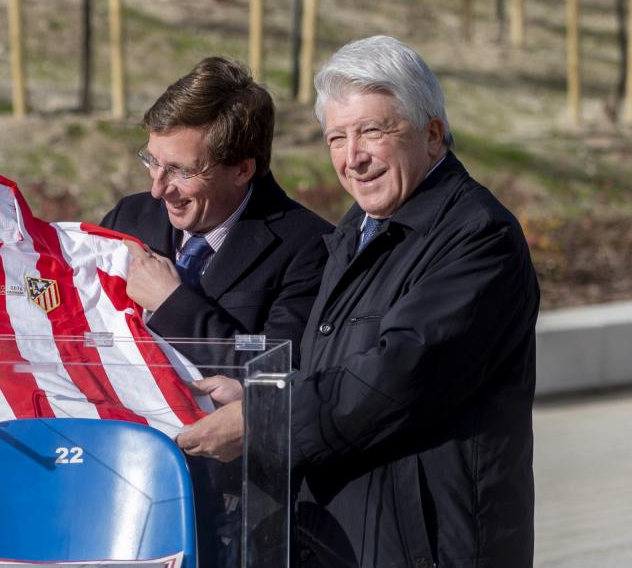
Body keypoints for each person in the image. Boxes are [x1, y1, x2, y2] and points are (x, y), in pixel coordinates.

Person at [290, 36, 538, 566]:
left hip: (430, 546)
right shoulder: (360, 226)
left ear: (432, 134)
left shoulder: (479, 236)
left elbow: (397, 376)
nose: (352, 158)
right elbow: (332, 366)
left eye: (372, 131)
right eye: (336, 138)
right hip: (349, 537)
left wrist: (266, 421)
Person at [100, 57, 332, 568]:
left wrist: (172, 303)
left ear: (243, 168)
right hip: (124, 484)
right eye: (152, 161)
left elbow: (275, 377)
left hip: (236, 511)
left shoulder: (308, 246)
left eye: (182, 170)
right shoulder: (130, 216)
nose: (160, 188)